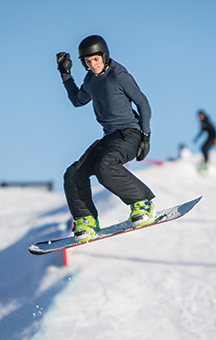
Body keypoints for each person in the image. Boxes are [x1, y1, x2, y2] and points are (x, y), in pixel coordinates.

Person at [56, 35, 155, 243]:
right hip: (110, 137)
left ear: (105, 56)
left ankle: (142, 202)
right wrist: (65, 74)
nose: (93, 65)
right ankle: (86, 220)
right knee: (73, 174)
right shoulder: (90, 80)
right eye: (88, 61)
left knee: (105, 167)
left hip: (130, 134)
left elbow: (143, 103)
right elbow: (77, 100)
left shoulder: (119, 75)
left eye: (96, 59)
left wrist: (145, 136)